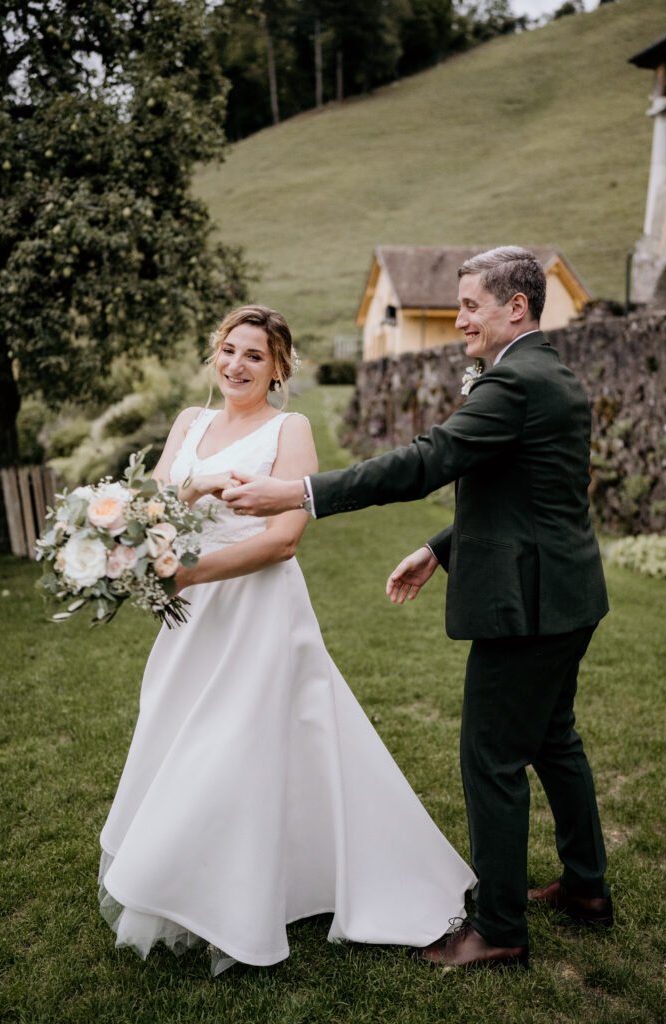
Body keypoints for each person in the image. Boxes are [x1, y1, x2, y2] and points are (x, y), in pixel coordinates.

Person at [221, 249, 613, 970]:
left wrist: (299, 494)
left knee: (491, 759)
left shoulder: (514, 382)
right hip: (566, 591)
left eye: (470, 305)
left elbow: (425, 461)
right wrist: (441, 546)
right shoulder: (549, 372)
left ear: (515, 308)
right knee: (554, 739)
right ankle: (586, 888)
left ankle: (496, 931)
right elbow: (528, 493)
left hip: (525, 606)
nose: (458, 318)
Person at [98, 304, 476, 975]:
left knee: (236, 744)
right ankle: (187, 879)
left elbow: (283, 539)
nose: (236, 365)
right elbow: (150, 506)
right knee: (178, 726)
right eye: (228, 350)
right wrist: (189, 509)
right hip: (188, 614)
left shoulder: (289, 428)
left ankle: (231, 905)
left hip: (255, 608)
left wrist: (190, 573)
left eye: (254, 355)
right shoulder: (189, 423)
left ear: (278, 368)